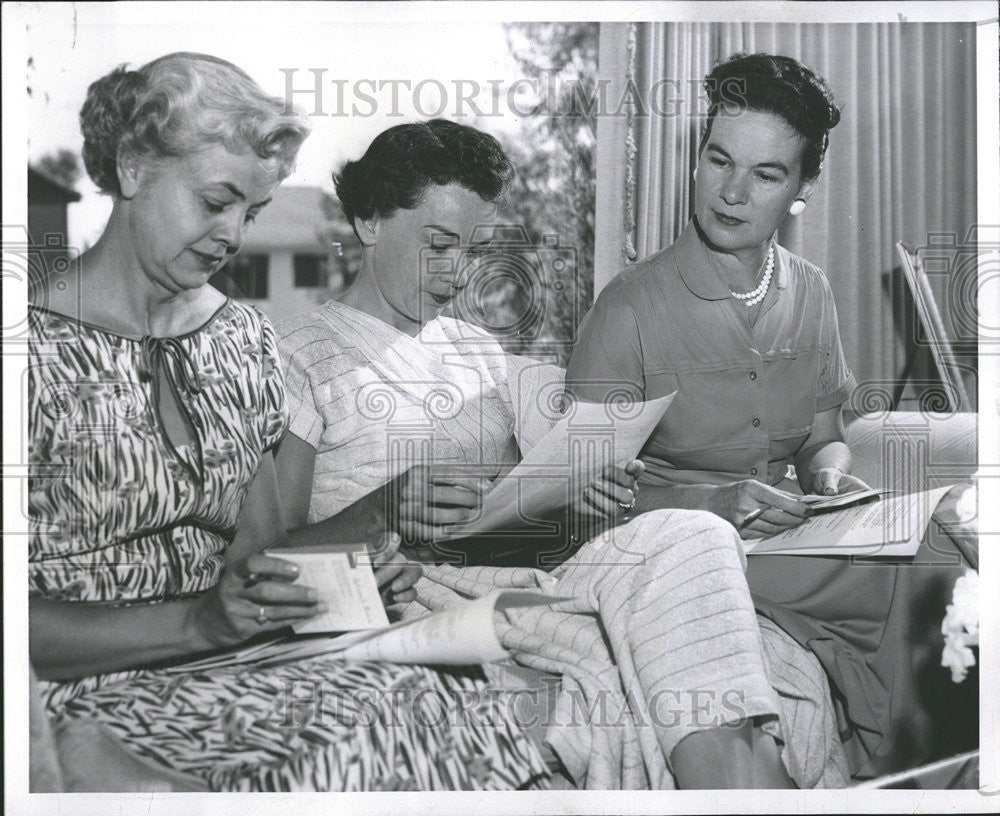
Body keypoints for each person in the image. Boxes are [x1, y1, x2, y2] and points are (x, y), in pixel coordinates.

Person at [274, 119, 851, 789]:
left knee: (691, 533)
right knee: (633, 665)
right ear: (370, 220)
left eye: (475, 250)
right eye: (438, 245)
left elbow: (513, 514)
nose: (458, 273)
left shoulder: (477, 351)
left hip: (505, 573)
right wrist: (385, 510)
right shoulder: (299, 354)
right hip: (408, 595)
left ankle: (737, 789)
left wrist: (575, 492)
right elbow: (266, 560)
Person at [28, 54, 548, 792]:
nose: (234, 235)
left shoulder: (241, 341)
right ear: (134, 166)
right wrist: (200, 623)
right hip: (81, 690)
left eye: (253, 212)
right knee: (372, 734)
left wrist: (363, 546)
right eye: (216, 202)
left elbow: (262, 560)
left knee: (438, 702)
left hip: (230, 663)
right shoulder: (27, 354)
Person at [564, 52, 977, 777]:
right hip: (679, 552)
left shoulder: (810, 291)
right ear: (697, 159)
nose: (731, 191)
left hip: (792, 538)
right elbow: (577, 502)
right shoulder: (627, 308)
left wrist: (829, 479)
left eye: (765, 173)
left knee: (947, 542)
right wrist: (711, 501)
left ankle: (938, 774)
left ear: (802, 189)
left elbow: (825, 437)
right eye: (719, 160)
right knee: (933, 569)